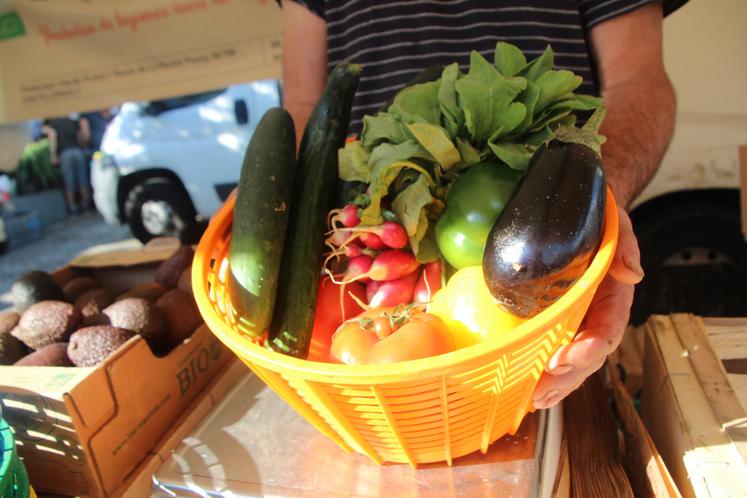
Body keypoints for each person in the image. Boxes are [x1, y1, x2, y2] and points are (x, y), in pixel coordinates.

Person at [282, 0, 686, 409]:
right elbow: (303, 107)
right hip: (373, 231)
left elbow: (637, 80)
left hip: (558, 293)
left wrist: (589, 201)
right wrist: (274, 200)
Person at [42, 114, 92, 214]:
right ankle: (86, 205)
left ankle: (72, 207)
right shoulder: (71, 120)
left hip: (64, 153)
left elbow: (52, 135)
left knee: (69, 181)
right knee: (82, 179)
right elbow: (81, 136)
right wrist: (84, 146)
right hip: (77, 151)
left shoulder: (53, 122)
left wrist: (53, 154)